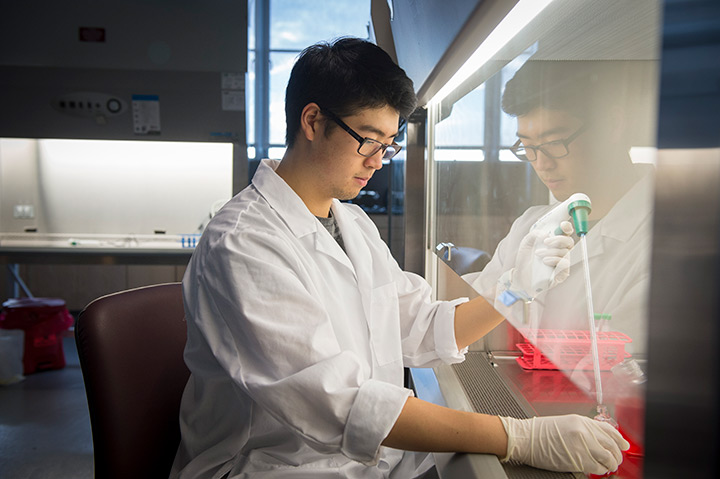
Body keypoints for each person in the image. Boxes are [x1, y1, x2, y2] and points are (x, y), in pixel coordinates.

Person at [170, 38, 628, 479]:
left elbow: (420, 326)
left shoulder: (352, 224)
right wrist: (518, 436)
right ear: (312, 121)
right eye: (369, 139)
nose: (378, 161)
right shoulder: (243, 243)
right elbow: (338, 404)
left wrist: (514, 290)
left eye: (388, 145)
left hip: (372, 462)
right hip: (275, 467)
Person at [463, 60, 656, 358]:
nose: (541, 163)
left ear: (613, 124)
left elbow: (623, 373)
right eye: (527, 146)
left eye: (553, 142)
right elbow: (480, 306)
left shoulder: (662, 243)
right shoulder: (530, 224)